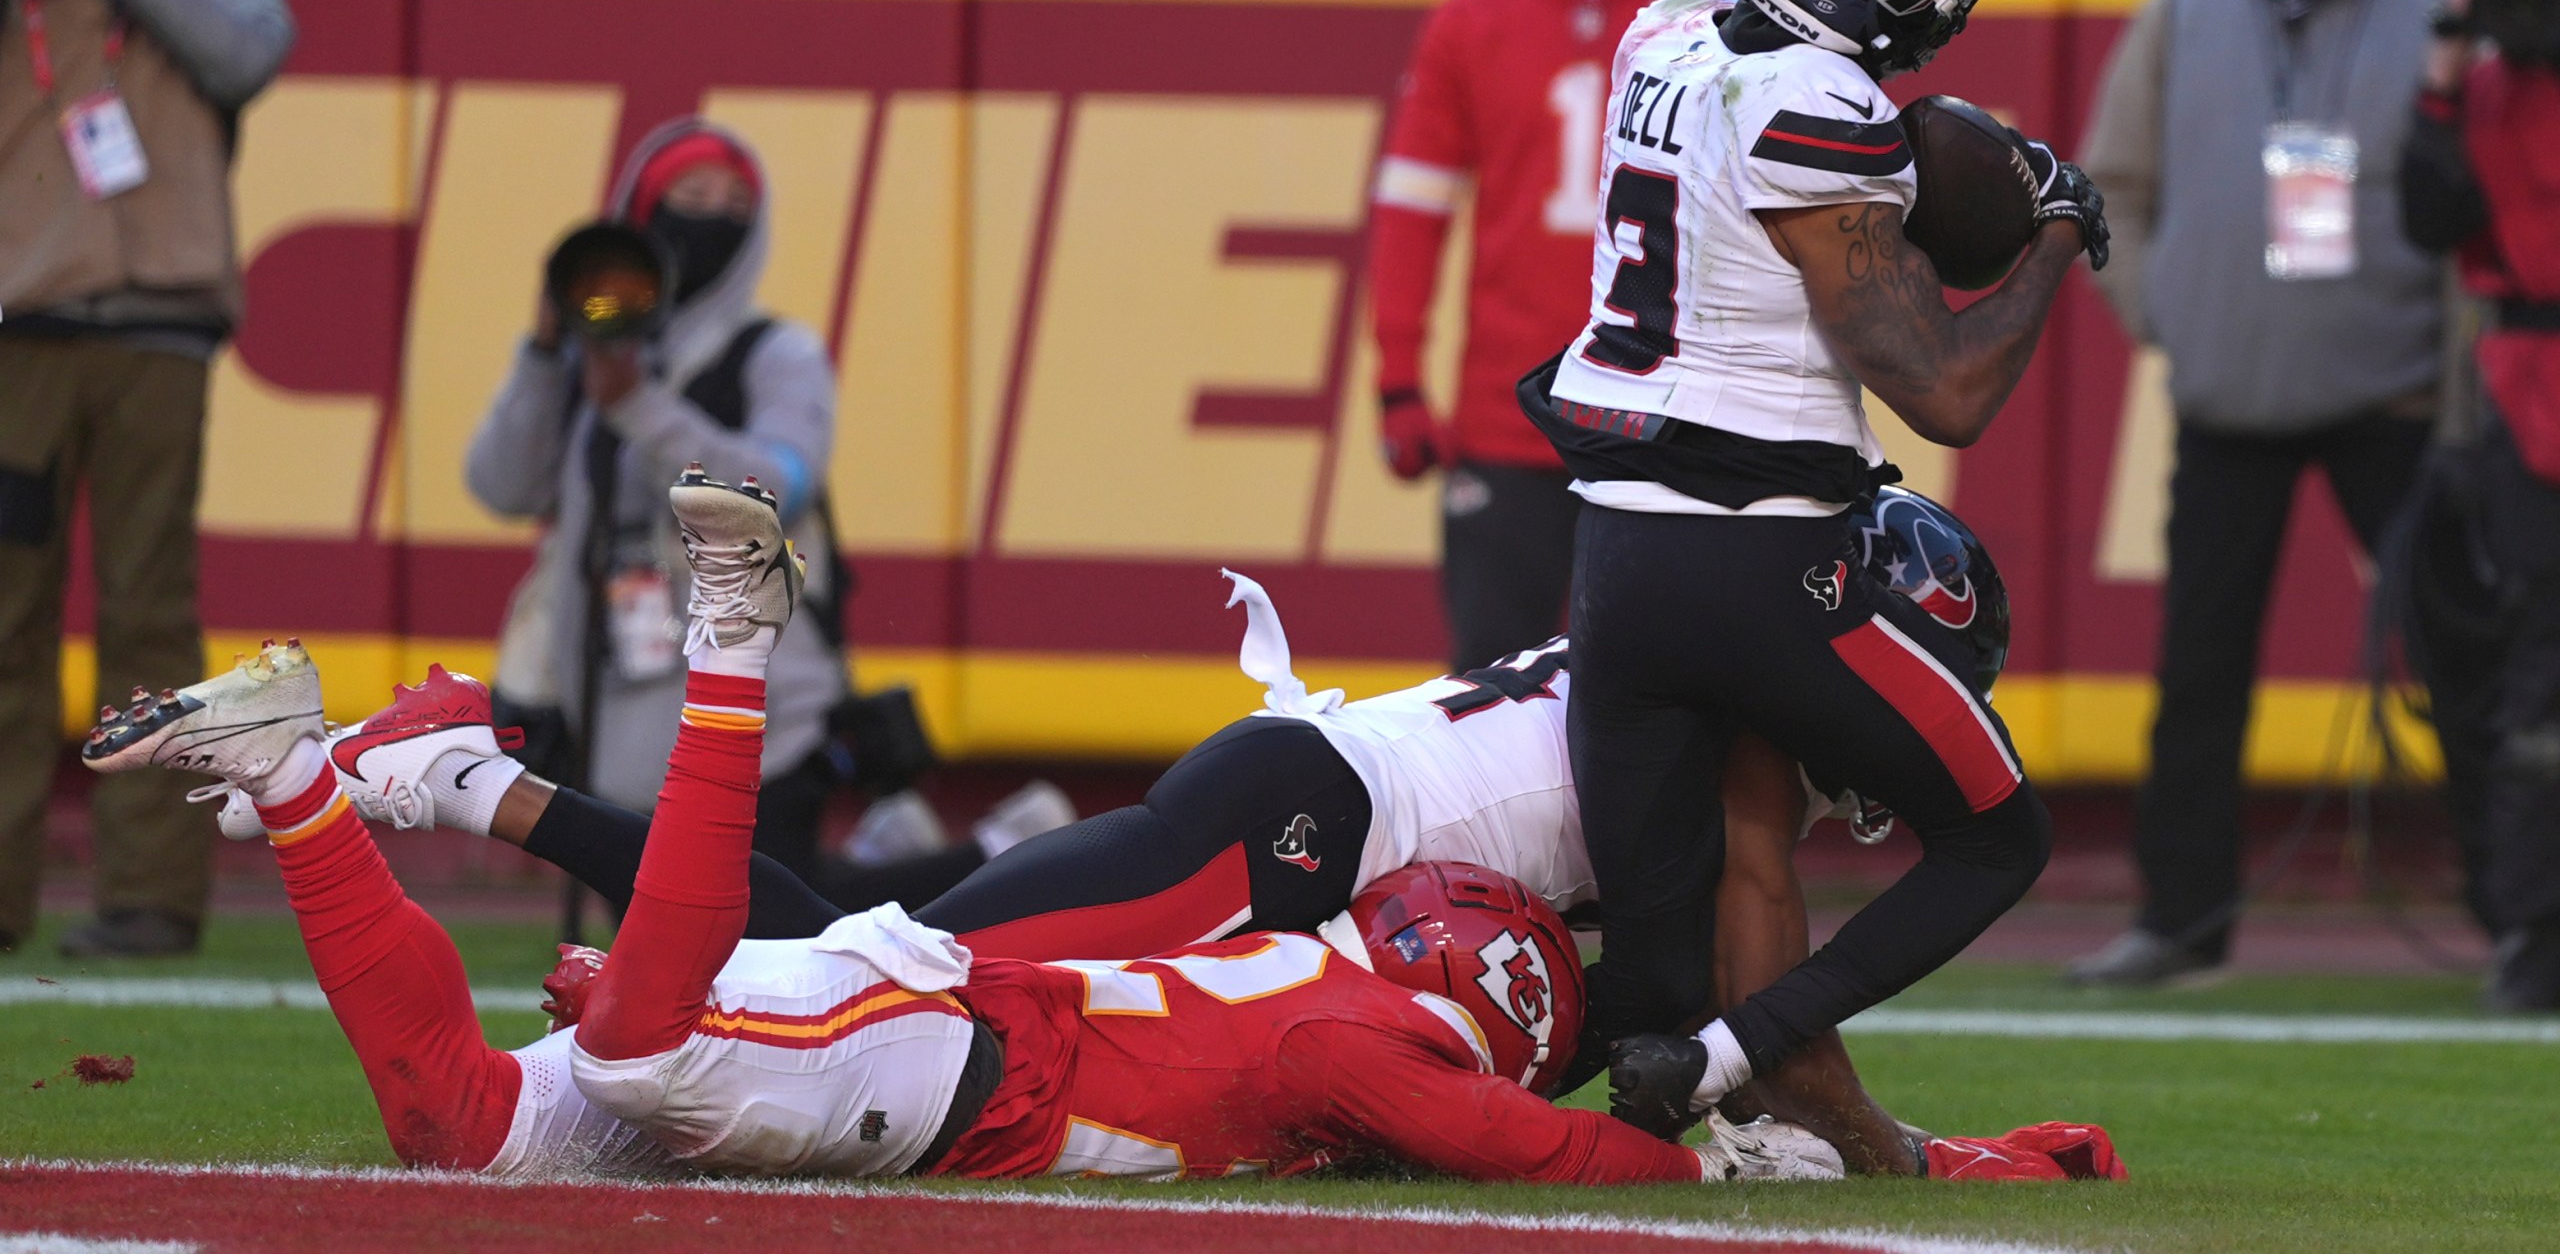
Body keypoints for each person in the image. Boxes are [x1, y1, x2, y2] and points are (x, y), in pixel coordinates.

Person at [251, 486, 2119, 1182]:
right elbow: (1756, 972)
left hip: (1316, 816)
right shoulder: (1748, 728)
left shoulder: (1707, 644)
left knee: (888, 952)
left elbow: (1720, 992)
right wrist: (1889, 1150)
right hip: (1305, 828)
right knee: (902, 951)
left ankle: (479, 785)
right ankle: (478, 779)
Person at [1507, 0, 2107, 1138]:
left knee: (1654, 976)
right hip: (1761, 564)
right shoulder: (1821, 111)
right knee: (1999, 836)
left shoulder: (1658, 36)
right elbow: (1943, 387)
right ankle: (1738, 1061)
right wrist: (2057, 231)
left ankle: (1371, 1090)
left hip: (1612, 559)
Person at [2068, 0, 2448, 989]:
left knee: (2468, 658)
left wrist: (2455, 369)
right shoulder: (2183, 11)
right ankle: (2179, 924)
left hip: (2393, 393)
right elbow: (2109, 188)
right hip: (2231, 387)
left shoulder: (2432, 12)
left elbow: (2470, 206)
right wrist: (2166, 312)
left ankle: (2524, 919)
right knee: (2200, 666)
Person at [0, 0, 295, 957]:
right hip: (23, 328)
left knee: (149, 619)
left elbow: (244, 52)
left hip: (158, 335)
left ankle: (150, 900)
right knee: (6, 621)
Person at [1366, 0, 1725, 672]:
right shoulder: (1476, 10)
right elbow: (1412, 208)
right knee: (1492, 688)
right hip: (1510, 411)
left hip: (1659, 416)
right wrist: (1398, 377)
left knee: (1663, 688)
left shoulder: (1709, 19)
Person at [464, 121, 862, 859]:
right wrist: (546, 356)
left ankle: (985, 858)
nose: (712, 217)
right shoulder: (602, 348)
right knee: (654, 960)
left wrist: (640, 407)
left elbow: (773, 493)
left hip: (757, 712)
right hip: (618, 707)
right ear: (642, 208)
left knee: (773, 944)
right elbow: (502, 484)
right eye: (691, 194)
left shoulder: (777, 354)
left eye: (737, 203)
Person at [2397, 0, 2560, 1011]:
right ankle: (2533, 926)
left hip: (2520, 389)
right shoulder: (2486, 88)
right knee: (2536, 670)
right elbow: (2430, 211)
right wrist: (2444, 69)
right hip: (2524, 392)